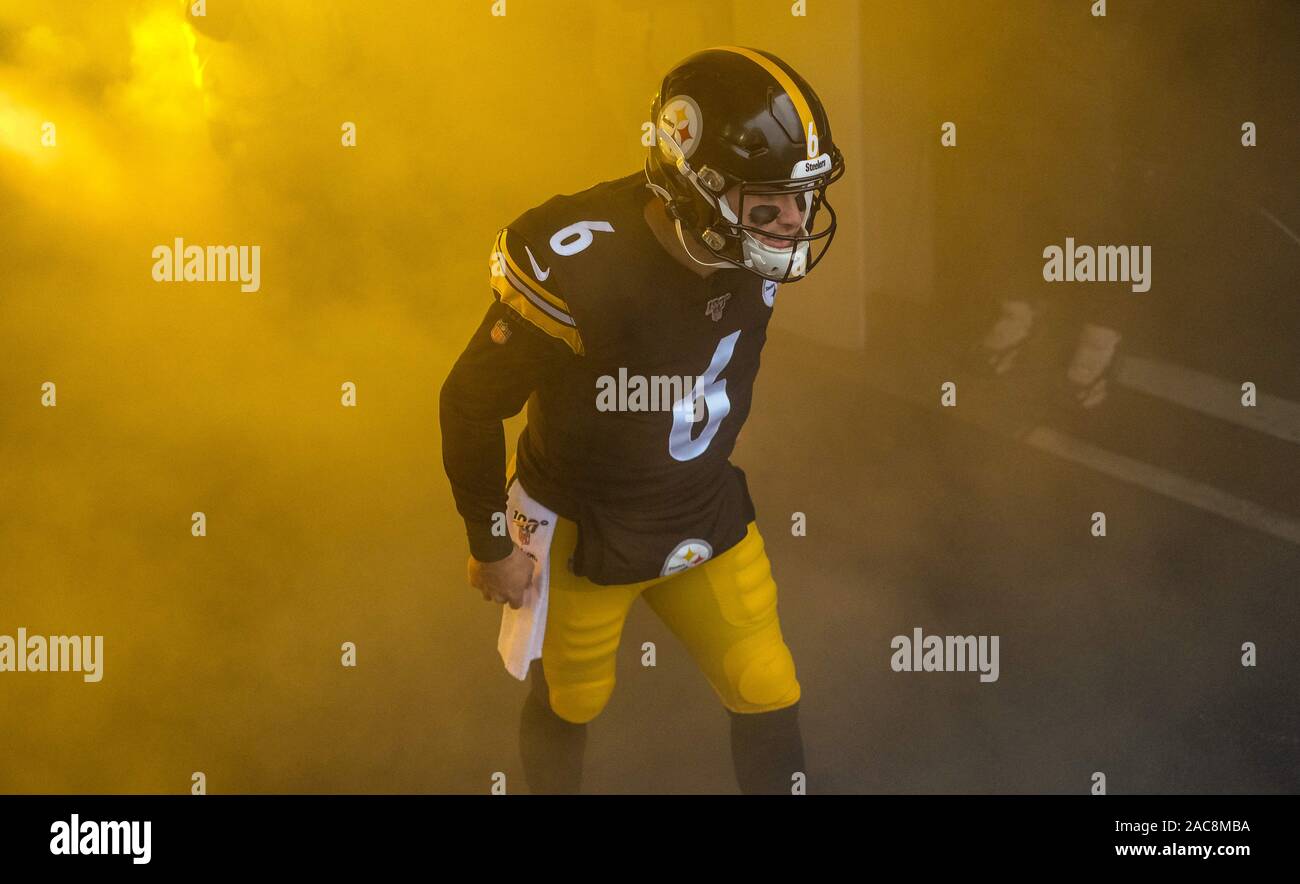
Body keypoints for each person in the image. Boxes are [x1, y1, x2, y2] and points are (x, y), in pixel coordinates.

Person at [439, 46, 846, 793]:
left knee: (766, 682)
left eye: (803, 198)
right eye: (769, 204)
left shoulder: (745, 234)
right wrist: (490, 542)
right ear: (698, 189)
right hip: (588, 524)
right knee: (574, 697)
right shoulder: (580, 258)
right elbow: (468, 401)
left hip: (703, 505)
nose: (793, 223)